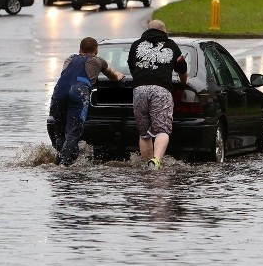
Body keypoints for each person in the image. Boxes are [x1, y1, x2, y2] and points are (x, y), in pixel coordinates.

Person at [50, 36, 125, 166]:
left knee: (60, 131)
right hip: (78, 93)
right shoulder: (98, 61)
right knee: (73, 132)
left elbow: (66, 74)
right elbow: (113, 76)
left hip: (59, 92)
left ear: (80, 49)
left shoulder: (69, 59)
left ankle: (59, 160)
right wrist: (120, 76)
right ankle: (64, 164)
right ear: (96, 51)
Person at [127, 20, 187, 170]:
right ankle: (156, 161)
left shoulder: (136, 45)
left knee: (144, 133)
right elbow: (182, 68)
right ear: (164, 31)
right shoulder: (171, 45)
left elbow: (132, 67)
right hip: (161, 89)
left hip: (139, 89)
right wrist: (183, 80)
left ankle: (146, 165)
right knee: (162, 130)